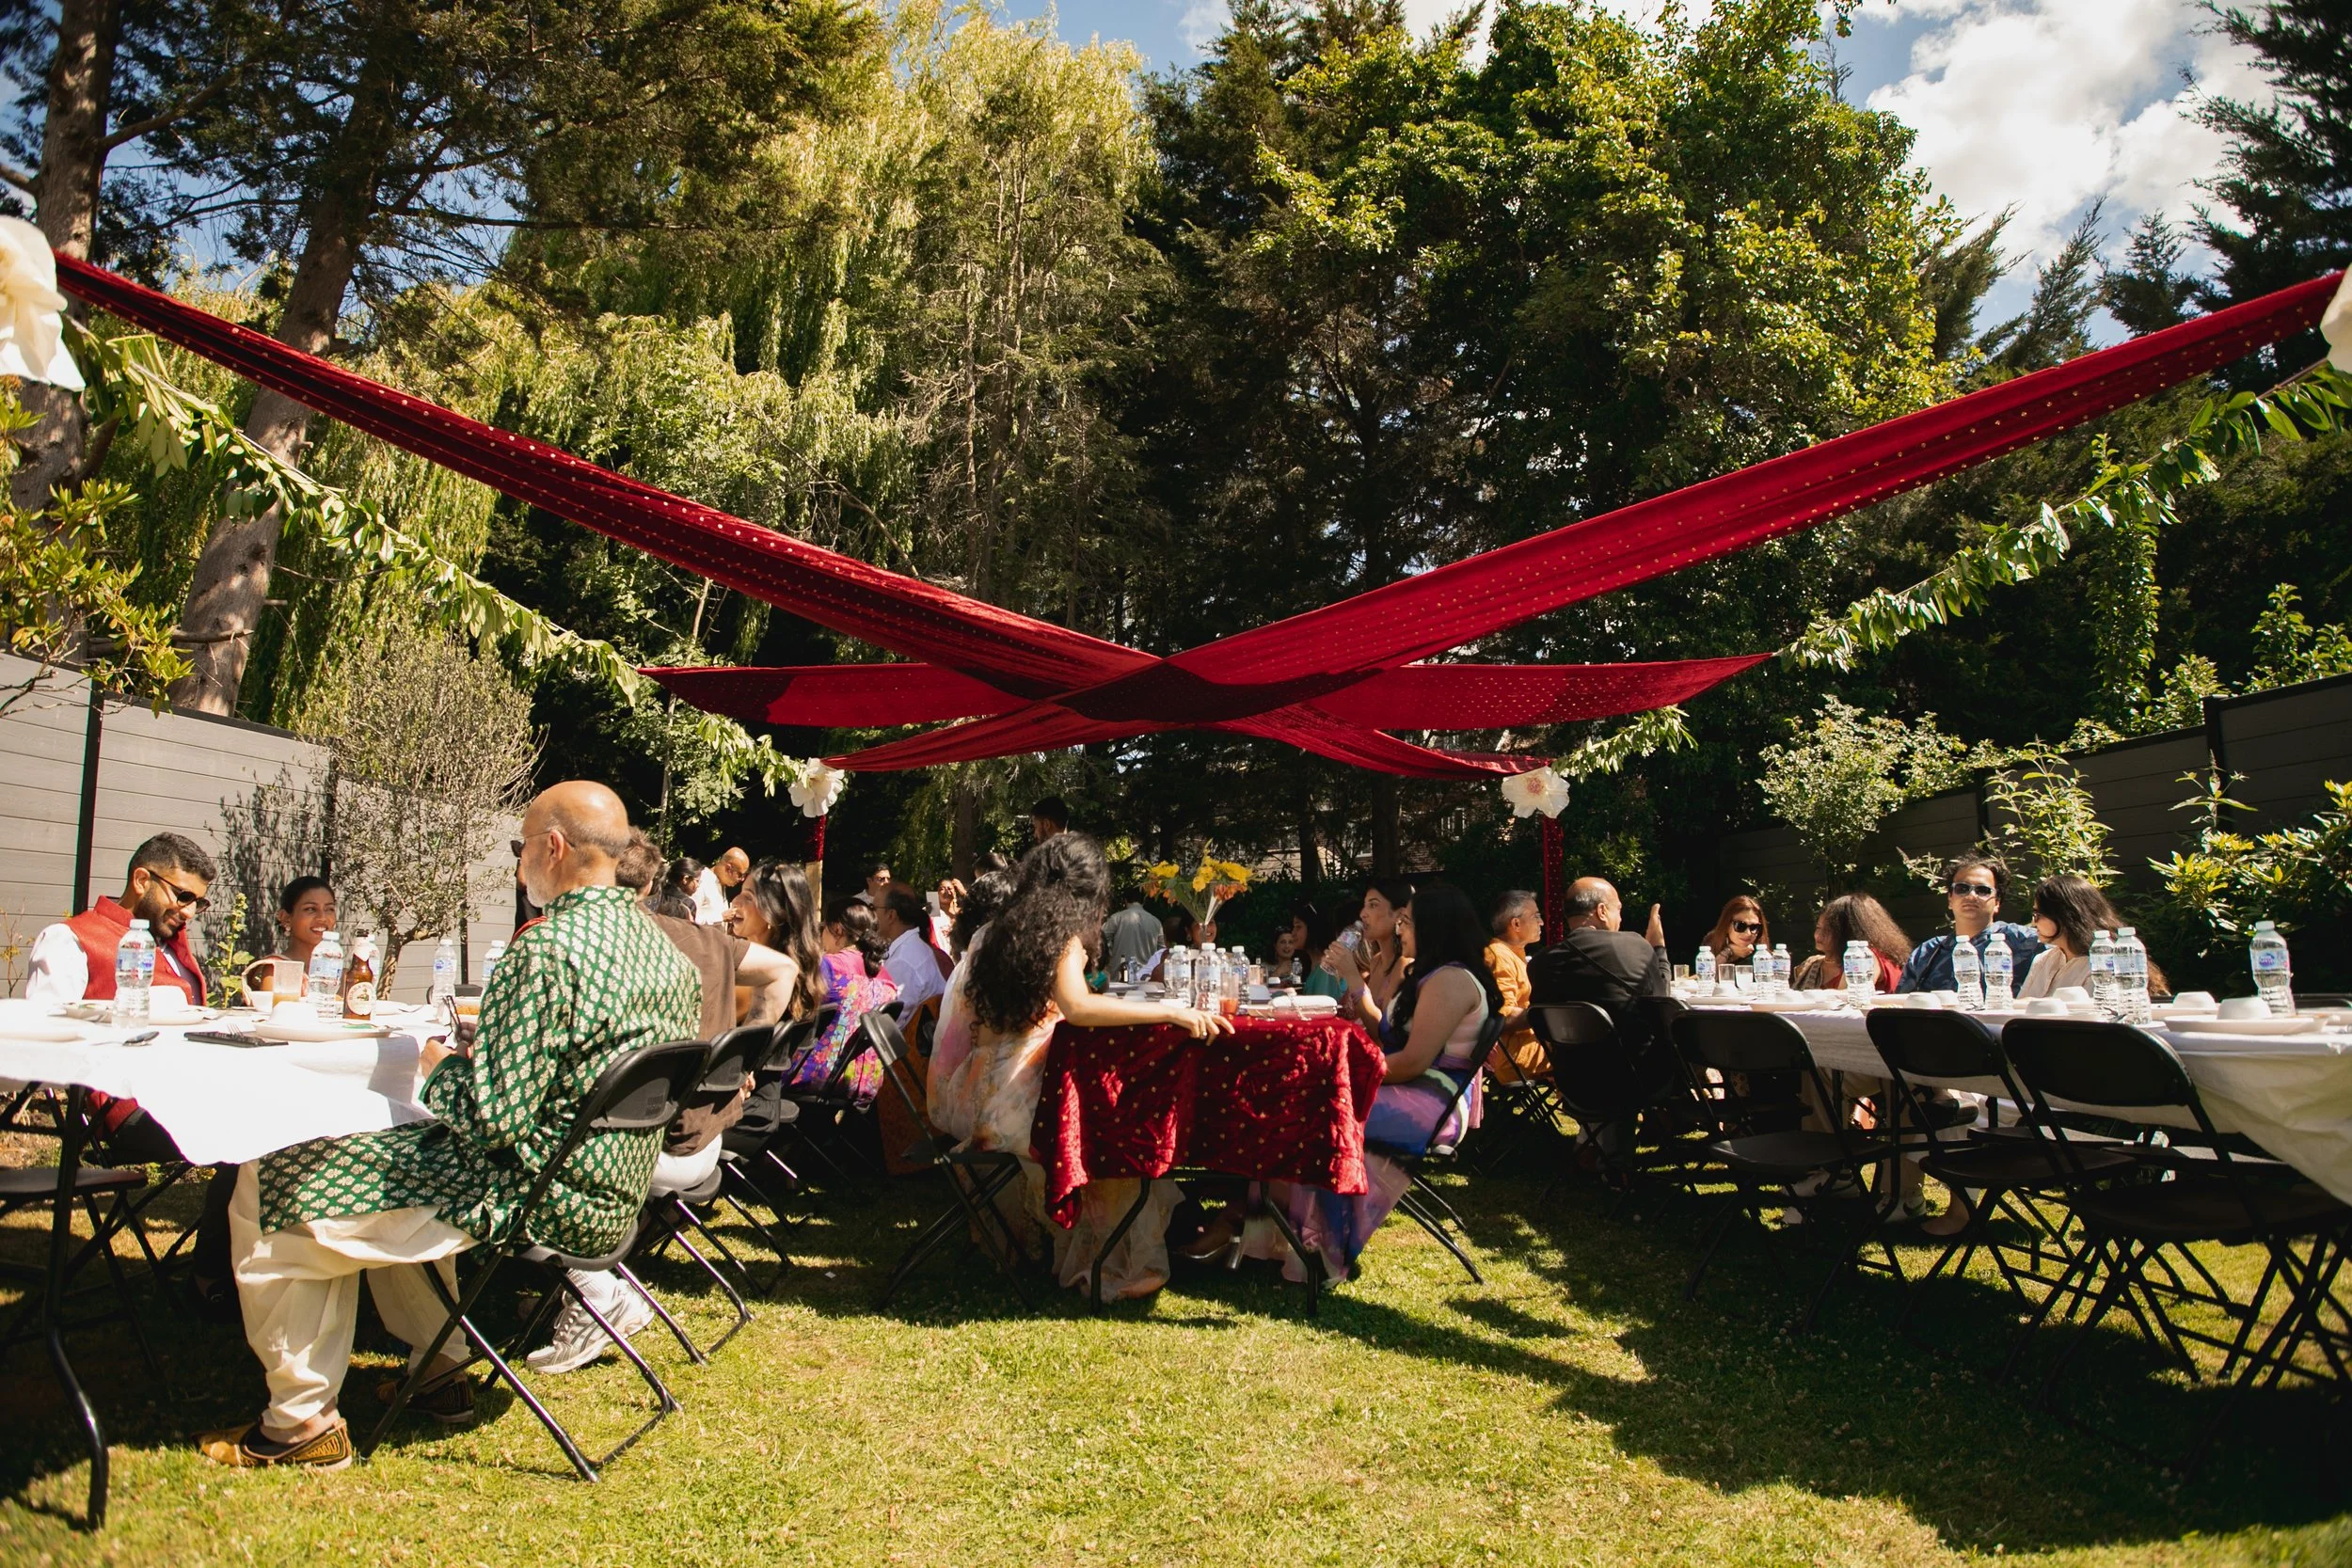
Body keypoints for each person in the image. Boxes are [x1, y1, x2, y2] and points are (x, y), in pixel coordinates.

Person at [200, 783, 700, 1469]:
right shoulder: (670, 956)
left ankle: (299, 1422)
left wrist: (438, 1067)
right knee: (398, 1167)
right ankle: (439, 1372)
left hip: (528, 1196)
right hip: (611, 1196)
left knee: (280, 1173)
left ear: (552, 848)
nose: (517, 862)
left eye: (519, 846)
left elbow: (493, 1120)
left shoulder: (547, 951)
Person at [524, 833, 816, 1375]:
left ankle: (590, 1288)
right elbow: (783, 971)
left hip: (647, 1148)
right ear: (656, 883)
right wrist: (740, 1061)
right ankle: (567, 1284)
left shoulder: (605, 948)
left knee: (510, 1150)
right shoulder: (704, 941)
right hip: (708, 1136)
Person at [928, 832, 1232, 1299]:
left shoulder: (1000, 927)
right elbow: (1079, 1008)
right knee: (1116, 1129)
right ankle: (1116, 1259)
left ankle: (1145, 1238)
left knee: (1104, 1111)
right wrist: (1172, 1011)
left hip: (979, 1093)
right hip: (1017, 1105)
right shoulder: (1059, 937)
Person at [1241, 884, 1496, 1282]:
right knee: (1302, 1102)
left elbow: (1412, 1061)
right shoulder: (1428, 974)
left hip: (1431, 1098)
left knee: (1322, 1114)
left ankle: (1317, 1248)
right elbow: (1386, 1035)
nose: (1401, 929)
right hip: (1409, 1086)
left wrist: (1346, 1075)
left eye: (1408, 921)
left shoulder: (1451, 981)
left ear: (1434, 926)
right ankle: (1276, 1235)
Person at [1526, 878, 1674, 1164]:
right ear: (1602, 911)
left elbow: (1542, 1025)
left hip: (1574, 1083)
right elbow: (1662, 1003)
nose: (1621, 917)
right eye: (1619, 909)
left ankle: (1596, 1146)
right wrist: (1659, 948)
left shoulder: (1542, 963)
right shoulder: (1635, 946)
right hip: (1637, 1081)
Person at [1896, 854, 2044, 993]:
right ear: (1950, 899)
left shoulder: (2025, 941)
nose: (1971, 896)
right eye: (1962, 889)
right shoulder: (1928, 953)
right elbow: (1901, 1004)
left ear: (1997, 902)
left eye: (1983, 890)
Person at [2020, 874, 2163, 999]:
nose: (2033, 922)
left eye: (2038, 915)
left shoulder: (2106, 962)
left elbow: (2092, 1014)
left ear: (2065, 916)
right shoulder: (2043, 960)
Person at [1323, 877, 1414, 1025]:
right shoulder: (1376, 961)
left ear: (1399, 914)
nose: (1363, 914)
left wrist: (1352, 975)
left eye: (1373, 905)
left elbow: (1383, 1032)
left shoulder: (1404, 964)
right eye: (1364, 906)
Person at [1483, 890, 1546, 1084]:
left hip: (1530, 1047)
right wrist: (1548, 1014)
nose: (1541, 922)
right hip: (1516, 1056)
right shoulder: (1498, 956)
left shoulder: (1512, 954)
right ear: (1516, 924)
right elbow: (1504, 1016)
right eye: (1536, 916)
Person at [1790, 894, 1912, 992]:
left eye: (1828, 930)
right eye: (1818, 928)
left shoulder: (1865, 956)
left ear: (1849, 933)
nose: (1818, 936)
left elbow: (1846, 997)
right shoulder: (1818, 964)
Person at [877, 885, 946, 1016]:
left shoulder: (904, 961)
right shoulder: (909, 947)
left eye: (873, 908)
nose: (872, 915)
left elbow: (891, 1022)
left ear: (891, 915)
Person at [267, 877, 338, 971]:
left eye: (329, 909)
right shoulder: (276, 969)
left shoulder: (341, 973)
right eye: (311, 909)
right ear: (286, 918)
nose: (322, 918)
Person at [1288, 902, 1349, 1001]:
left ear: (1313, 929)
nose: (1293, 933)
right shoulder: (1315, 965)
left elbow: (1322, 1008)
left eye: (1298, 927)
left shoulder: (1326, 968)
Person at [1101, 882, 1162, 978]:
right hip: (1146, 976)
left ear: (1125, 901)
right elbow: (1162, 950)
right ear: (1144, 900)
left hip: (1120, 975)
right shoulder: (1156, 922)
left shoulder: (1117, 918)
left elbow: (1101, 940)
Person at [1700, 895, 1770, 970]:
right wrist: (1727, 952)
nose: (1748, 933)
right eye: (1740, 926)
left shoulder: (1761, 956)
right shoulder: (1712, 942)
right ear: (1726, 925)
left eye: (1754, 927)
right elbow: (1703, 977)